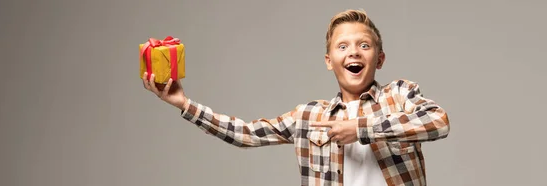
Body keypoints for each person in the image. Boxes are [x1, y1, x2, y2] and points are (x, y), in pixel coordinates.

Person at [142, 9, 450, 186]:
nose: (353, 51)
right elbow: (245, 134)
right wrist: (184, 104)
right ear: (329, 60)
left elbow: (438, 121)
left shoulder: (400, 94)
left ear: (379, 59)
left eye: (364, 45)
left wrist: (360, 128)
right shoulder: (309, 116)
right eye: (342, 46)